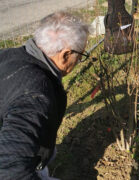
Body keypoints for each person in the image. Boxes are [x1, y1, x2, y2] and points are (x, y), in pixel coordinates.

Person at [0, 12, 89, 179]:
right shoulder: (37, 94)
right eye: (81, 55)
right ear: (66, 55)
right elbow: (11, 171)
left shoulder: (7, 56)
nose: (78, 61)